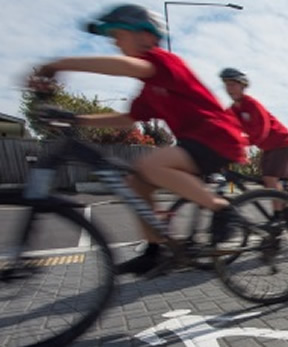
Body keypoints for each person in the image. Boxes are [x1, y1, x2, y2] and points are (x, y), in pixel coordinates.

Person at [27, 4, 249, 275]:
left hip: (217, 137)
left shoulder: (165, 61)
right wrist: (78, 119)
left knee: (150, 164)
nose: (114, 42)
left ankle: (222, 208)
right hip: (193, 142)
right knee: (135, 183)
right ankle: (155, 251)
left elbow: (126, 67)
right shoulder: (150, 90)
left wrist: (60, 64)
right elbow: (127, 119)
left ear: (146, 35)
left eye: (118, 35)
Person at [220, 68, 288, 219]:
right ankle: (286, 206)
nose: (229, 89)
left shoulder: (252, 104)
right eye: (227, 85)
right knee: (266, 181)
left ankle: (279, 215)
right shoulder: (232, 110)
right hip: (268, 147)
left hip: (282, 142)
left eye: (233, 85)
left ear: (242, 86)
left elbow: (264, 128)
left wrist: (244, 145)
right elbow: (225, 129)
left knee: (270, 178)